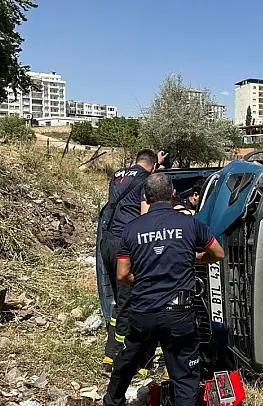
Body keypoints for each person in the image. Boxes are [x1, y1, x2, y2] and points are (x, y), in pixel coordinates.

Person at [104, 173, 225, 406]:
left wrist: (144, 280)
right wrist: (197, 258)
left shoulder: (132, 228)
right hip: (178, 314)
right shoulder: (190, 224)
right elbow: (218, 253)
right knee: (185, 376)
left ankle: (112, 401)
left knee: (126, 362)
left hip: (143, 312)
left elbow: (122, 274)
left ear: (146, 197)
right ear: (173, 193)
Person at [100, 149, 166, 373]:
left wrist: (156, 164)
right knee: (132, 300)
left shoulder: (118, 175)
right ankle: (123, 357)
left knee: (121, 300)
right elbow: (145, 215)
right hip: (126, 244)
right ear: (154, 166)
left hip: (108, 242)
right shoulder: (146, 181)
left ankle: (112, 353)